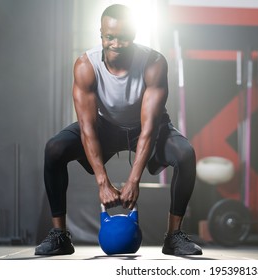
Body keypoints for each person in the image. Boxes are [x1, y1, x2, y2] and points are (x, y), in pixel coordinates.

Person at [35, 4, 202, 256]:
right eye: (109, 37)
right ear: (100, 34)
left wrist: (134, 179)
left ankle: (173, 236)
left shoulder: (153, 63)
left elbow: (148, 128)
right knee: (55, 148)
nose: (115, 43)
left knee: (185, 154)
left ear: (133, 35)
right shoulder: (85, 66)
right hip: (105, 126)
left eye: (123, 37)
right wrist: (102, 181)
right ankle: (60, 236)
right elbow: (88, 128)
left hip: (145, 127)